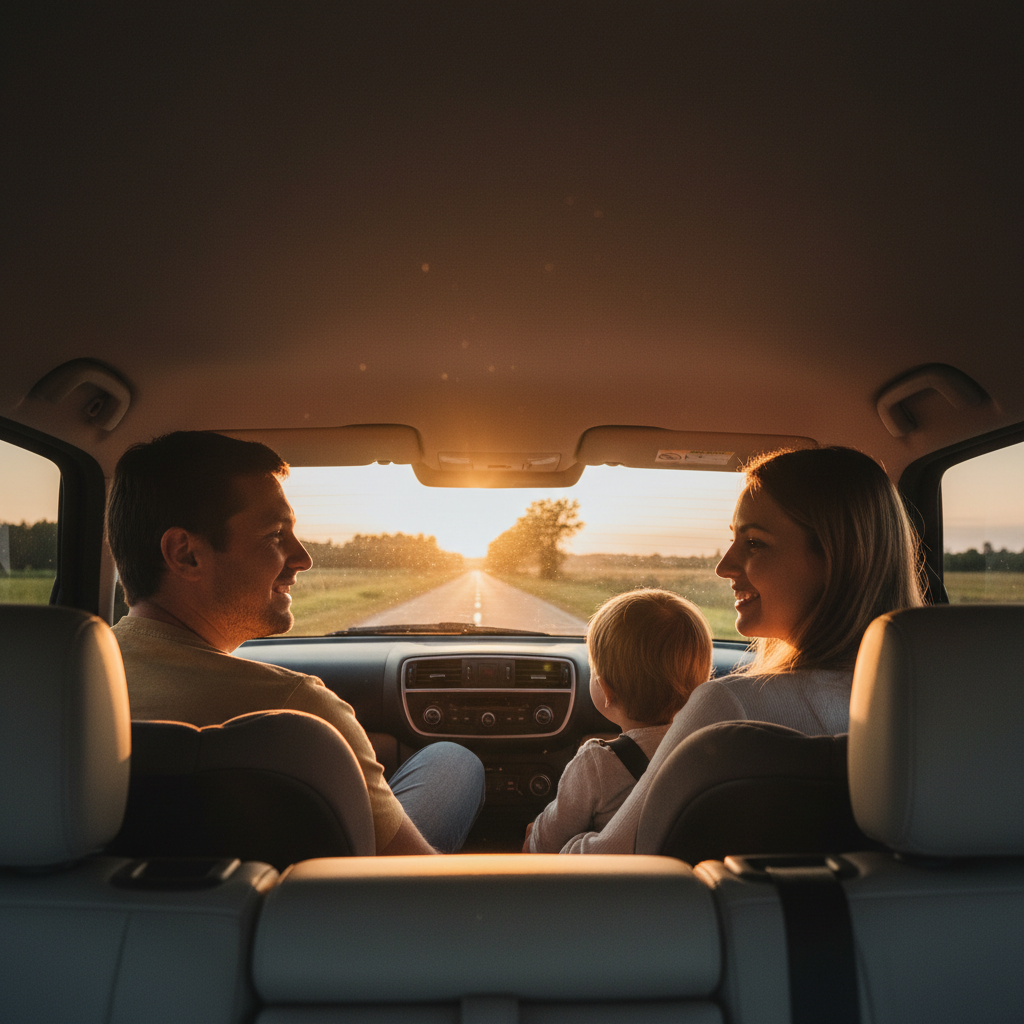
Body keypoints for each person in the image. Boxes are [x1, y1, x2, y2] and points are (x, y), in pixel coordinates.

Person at [106, 430, 484, 856]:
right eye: (275, 534)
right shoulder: (297, 709)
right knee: (452, 760)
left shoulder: (50, 700)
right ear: (185, 554)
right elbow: (418, 891)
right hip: (320, 919)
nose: (303, 557)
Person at [560, 445, 926, 854]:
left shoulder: (732, 708)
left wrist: (561, 843)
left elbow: (613, 867)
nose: (724, 566)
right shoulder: (937, 708)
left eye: (754, 543)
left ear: (838, 558)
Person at [524, 589, 712, 853]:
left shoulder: (596, 764)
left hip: (611, 885)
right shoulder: (709, 750)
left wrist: (533, 835)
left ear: (606, 691)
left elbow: (550, 842)